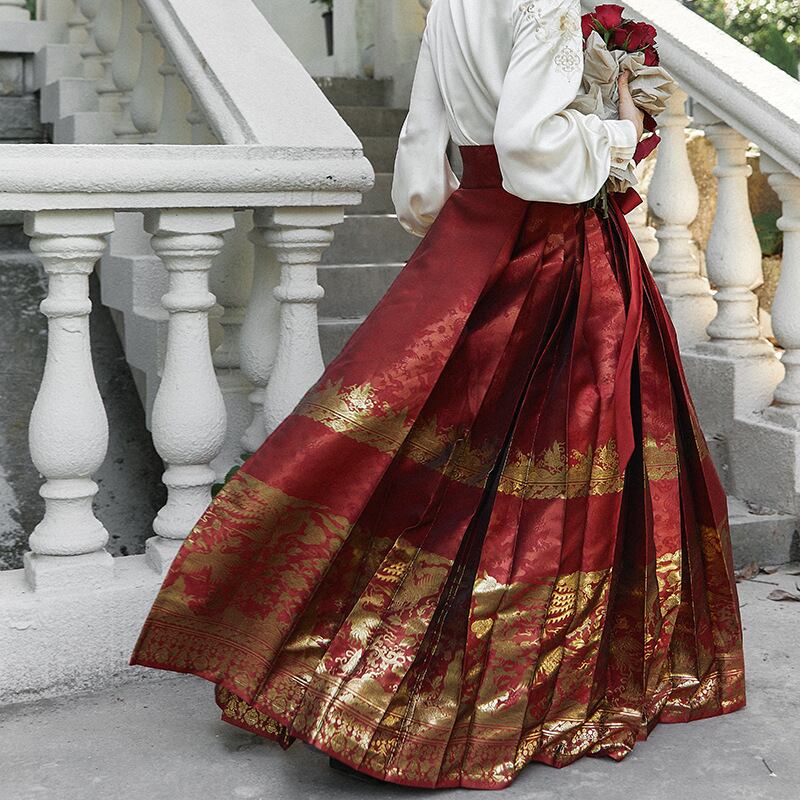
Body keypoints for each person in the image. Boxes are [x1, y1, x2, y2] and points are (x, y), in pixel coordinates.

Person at [130, 0, 745, 790]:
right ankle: (500, 688)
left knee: (442, 468)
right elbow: (530, 145)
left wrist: (460, 233)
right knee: (549, 475)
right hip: (557, 251)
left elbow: (423, 154)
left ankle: (357, 677)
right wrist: (620, 129)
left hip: (479, 234)